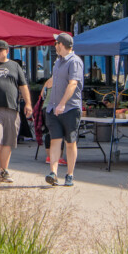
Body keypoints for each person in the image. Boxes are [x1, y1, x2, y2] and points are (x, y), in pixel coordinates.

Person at [0, 40, 33, 184]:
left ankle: (4, 171)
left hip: (12, 109)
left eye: (0, 50)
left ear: (7, 51)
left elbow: (23, 86)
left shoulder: (15, 66)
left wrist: (28, 103)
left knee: (8, 141)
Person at [44, 33, 84, 187]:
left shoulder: (75, 62)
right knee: (55, 140)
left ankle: (70, 174)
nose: (54, 46)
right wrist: (45, 87)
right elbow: (55, 79)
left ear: (61, 44)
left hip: (70, 108)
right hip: (53, 107)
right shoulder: (58, 61)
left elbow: (73, 84)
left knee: (70, 142)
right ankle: (53, 173)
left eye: (56, 43)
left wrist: (62, 104)